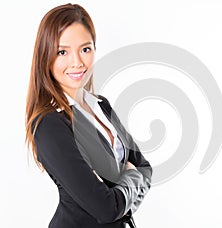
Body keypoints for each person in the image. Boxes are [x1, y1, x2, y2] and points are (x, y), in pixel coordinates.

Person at [25, 3, 152, 228]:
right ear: (45, 56)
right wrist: (129, 179)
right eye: (62, 52)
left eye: (85, 49)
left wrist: (119, 200)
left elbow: (144, 168)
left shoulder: (101, 105)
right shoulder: (49, 124)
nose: (77, 62)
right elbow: (105, 208)